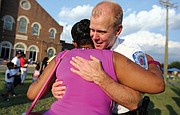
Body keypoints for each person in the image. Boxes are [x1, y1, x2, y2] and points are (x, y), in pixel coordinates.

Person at [27, 19, 164, 115]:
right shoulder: (112, 56)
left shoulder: (62, 56)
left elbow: (32, 94)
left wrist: (52, 86)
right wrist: (153, 63)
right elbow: (157, 85)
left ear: (74, 43)